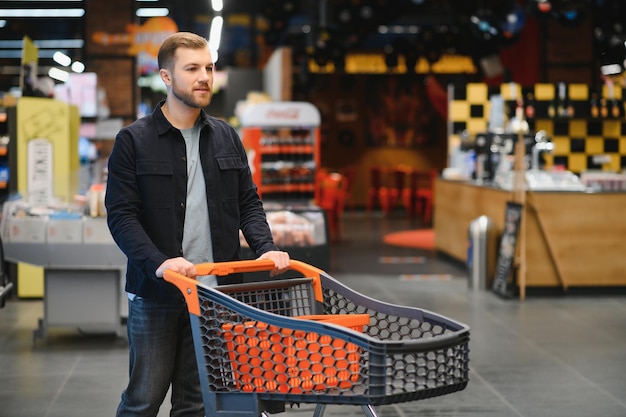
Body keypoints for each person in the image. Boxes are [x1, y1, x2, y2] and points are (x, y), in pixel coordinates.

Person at [105, 32, 290, 417]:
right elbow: (121, 216)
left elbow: (247, 202)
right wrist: (159, 262)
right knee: (143, 400)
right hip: (157, 292)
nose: (204, 76)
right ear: (167, 78)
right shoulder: (133, 141)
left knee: (194, 403)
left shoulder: (226, 136)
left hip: (213, 293)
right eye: (192, 68)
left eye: (208, 67)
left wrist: (265, 247)